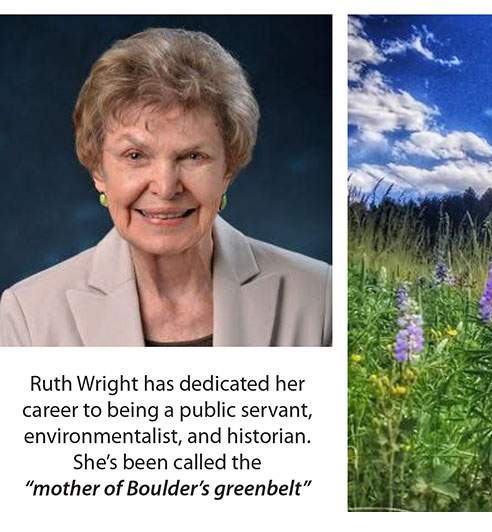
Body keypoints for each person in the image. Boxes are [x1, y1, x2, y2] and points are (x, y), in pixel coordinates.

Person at [0, 28, 331, 347]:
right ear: (98, 169)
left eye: (192, 156)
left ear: (227, 168)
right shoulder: (27, 317)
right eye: (135, 155)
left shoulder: (321, 299)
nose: (165, 186)